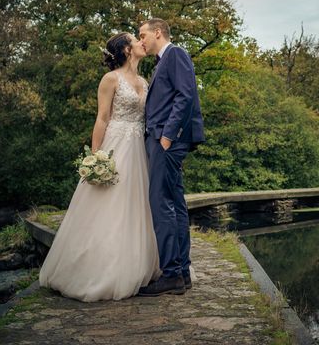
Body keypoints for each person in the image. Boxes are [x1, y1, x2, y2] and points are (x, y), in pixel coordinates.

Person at [39, 32, 161, 302]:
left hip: (138, 149)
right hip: (116, 145)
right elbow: (102, 118)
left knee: (135, 206)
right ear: (127, 50)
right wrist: (96, 158)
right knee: (108, 206)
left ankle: (136, 265)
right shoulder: (110, 79)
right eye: (136, 39)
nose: (142, 42)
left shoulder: (144, 80)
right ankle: (97, 270)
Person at [137, 18, 205, 296]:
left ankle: (172, 273)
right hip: (165, 140)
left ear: (157, 32)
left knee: (161, 203)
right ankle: (182, 273)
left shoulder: (175, 53)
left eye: (142, 35)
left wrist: (167, 135)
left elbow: (185, 95)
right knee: (174, 203)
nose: (140, 40)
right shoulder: (161, 62)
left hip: (167, 140)